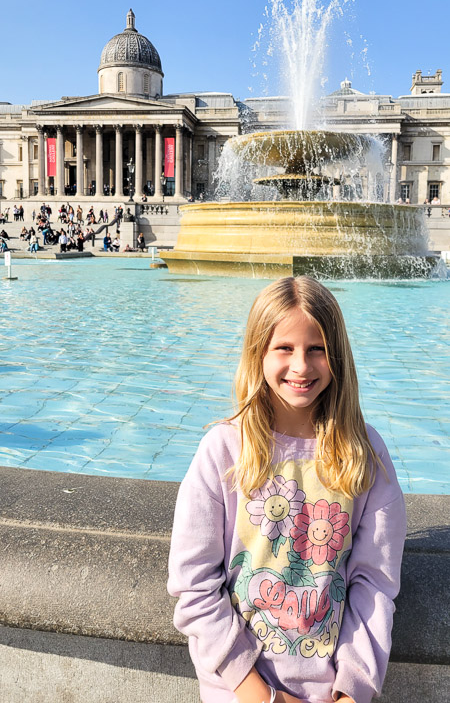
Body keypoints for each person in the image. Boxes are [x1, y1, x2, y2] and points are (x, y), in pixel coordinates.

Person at [168, 276, 406, 703]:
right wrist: (264, 698)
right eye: (285, 348)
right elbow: (194, 586)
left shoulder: (365, 454)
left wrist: (353, 691)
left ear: (337, 356)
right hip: (239, 695)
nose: (301, 366)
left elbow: (374, 585)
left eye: (317, 349)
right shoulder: (223, 451)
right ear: (258, 352)